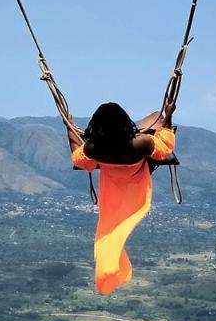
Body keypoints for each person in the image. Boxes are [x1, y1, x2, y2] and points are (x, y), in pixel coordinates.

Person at [67, 102, 176, 295]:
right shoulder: (141, 143)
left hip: (113, 192)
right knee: (156, 116)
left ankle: (112, 271)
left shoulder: (94, 149)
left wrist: (69, 127)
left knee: (109, 232)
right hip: (137, 185)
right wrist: (168, 117)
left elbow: (78, 157)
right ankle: (141, 122)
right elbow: (165, 148)